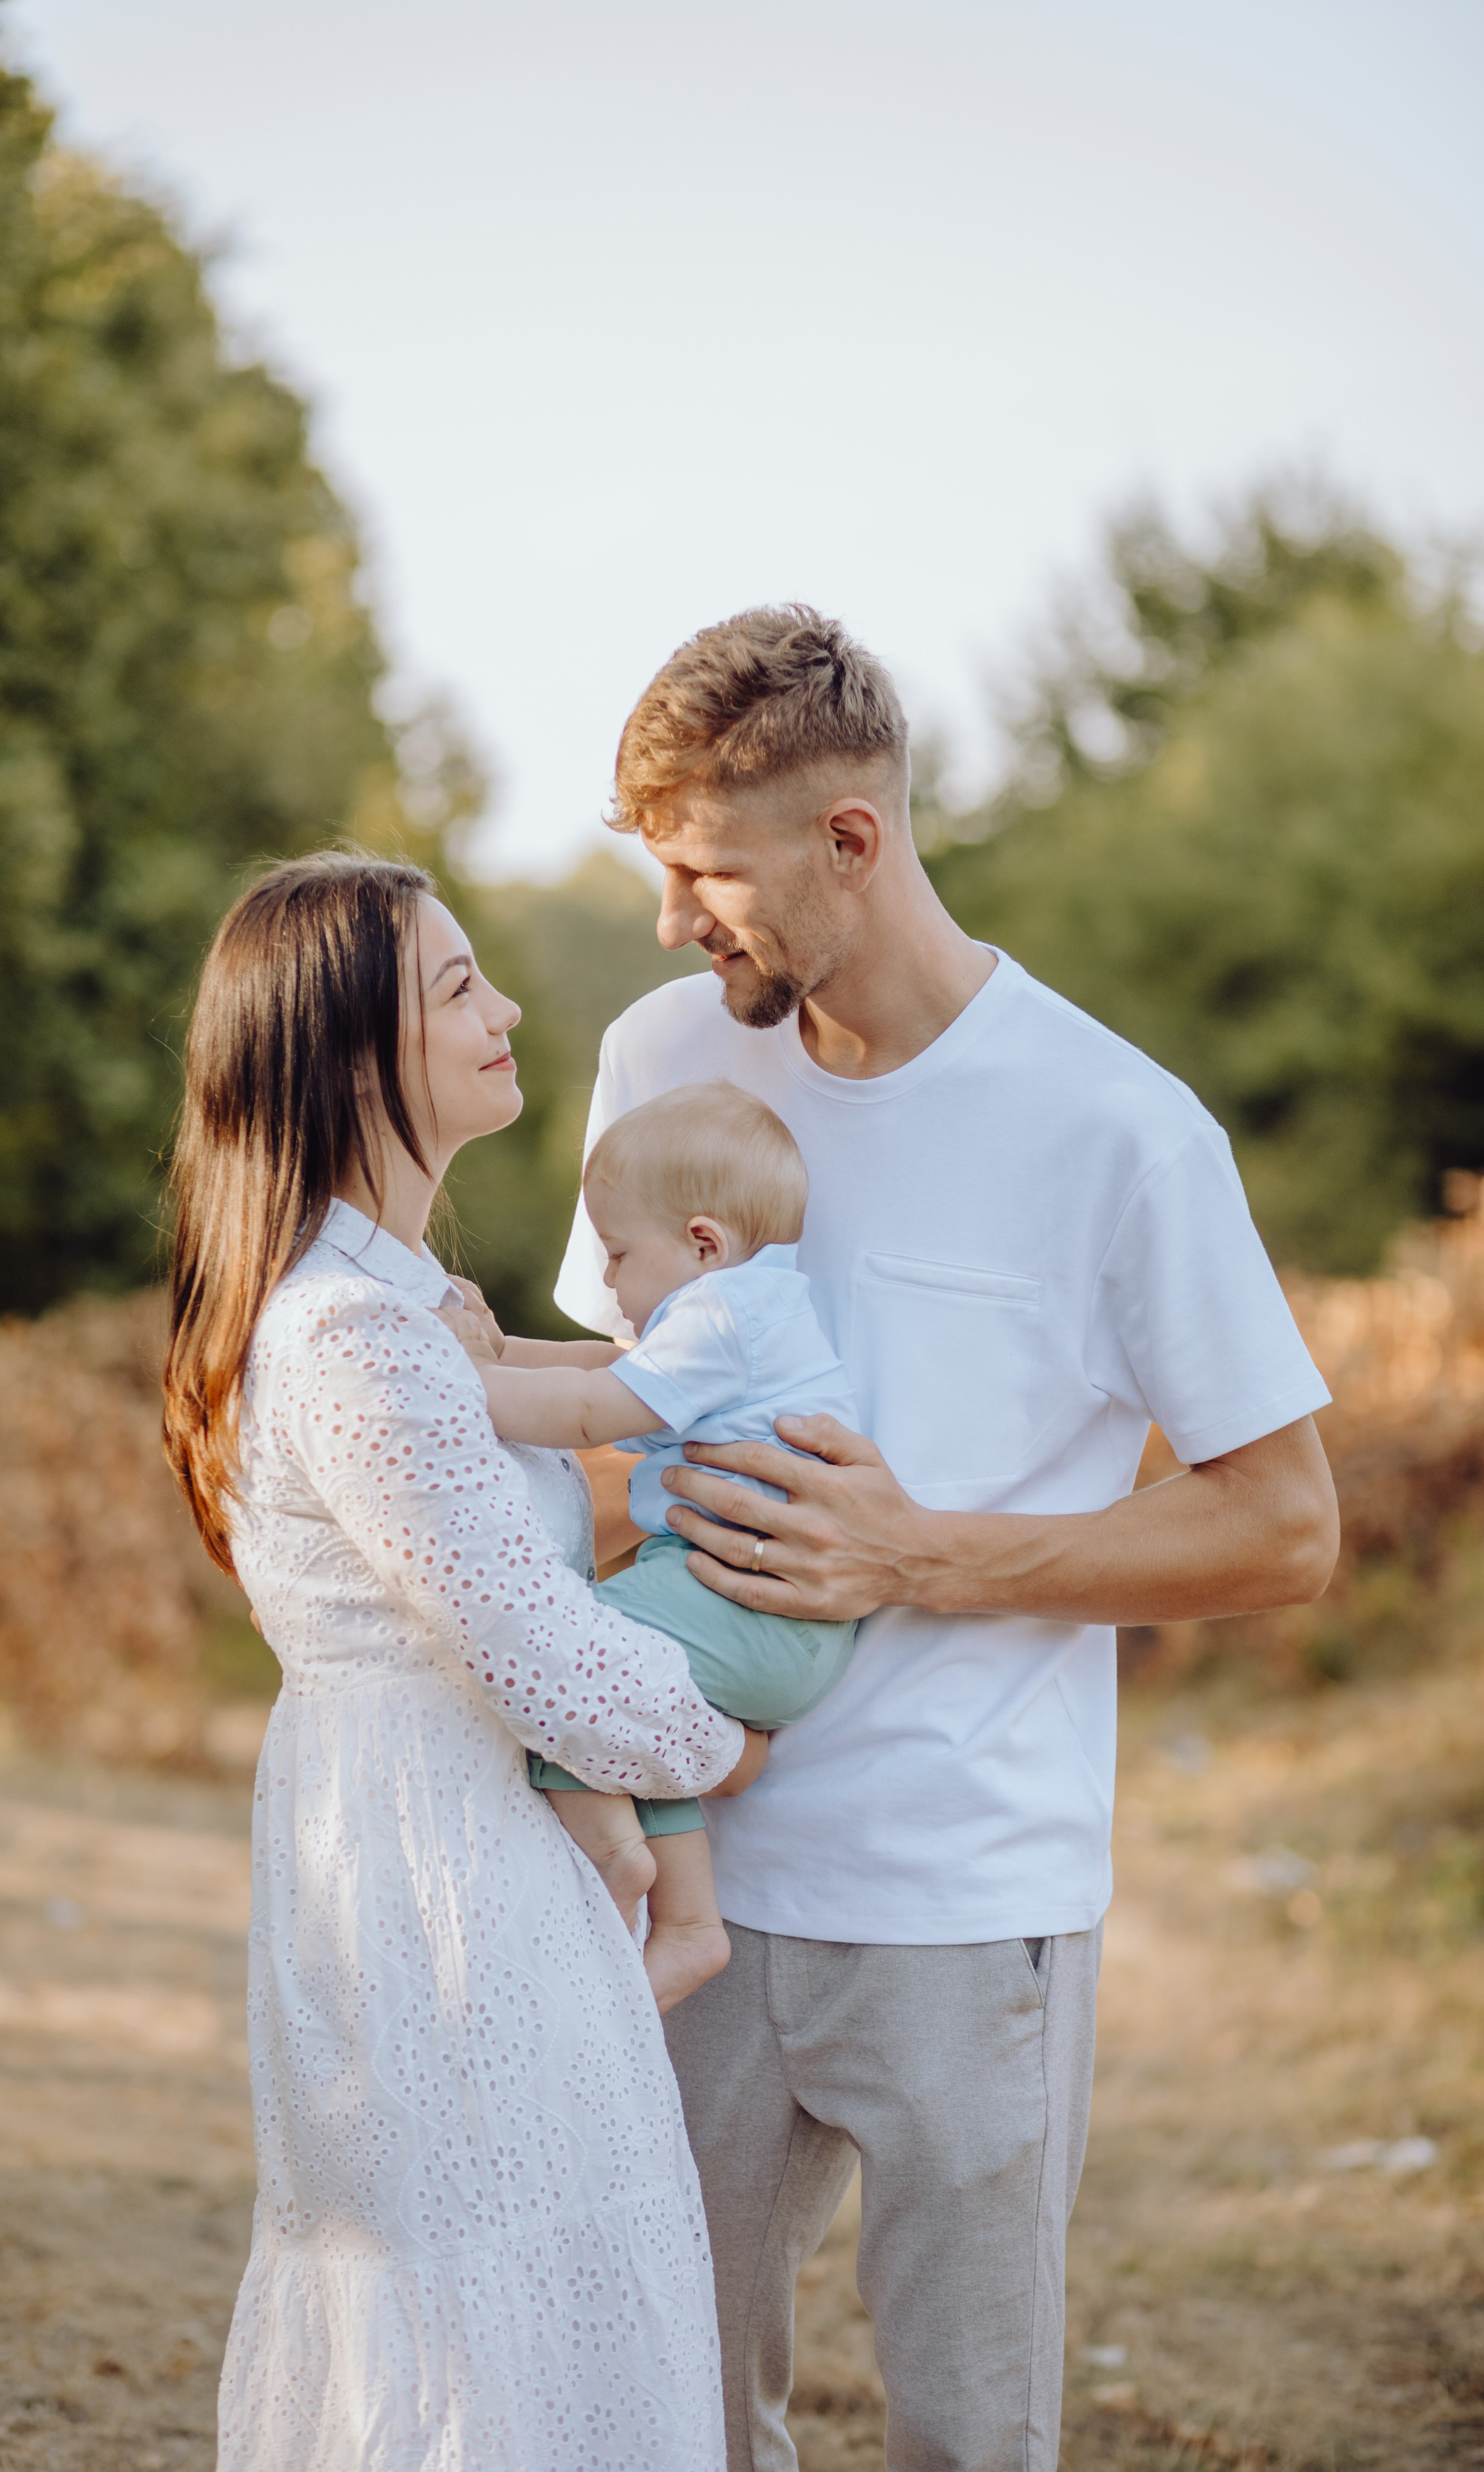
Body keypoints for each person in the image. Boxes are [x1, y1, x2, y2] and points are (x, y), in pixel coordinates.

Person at [552, 607, 1342, 2472]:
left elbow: (1285, 1524)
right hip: (687, 1883)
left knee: (974, 2439)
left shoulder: (1120, 1129)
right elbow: (613, 1399)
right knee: (654, 2412)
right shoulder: (664, 1052)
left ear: (854, 841)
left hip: (967, 1906)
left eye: (705, 873)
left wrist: (919, 1559)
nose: (676, 921)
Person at [160, 849, 764, 2472]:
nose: (501, 1012)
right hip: (429, 1867)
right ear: (352, 1054)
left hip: (474, 1840)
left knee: (529, 2276)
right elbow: (537, 1660)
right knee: (470, 2305)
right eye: (453, 989)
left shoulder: (417, 1307)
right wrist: (722, 1733)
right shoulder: (348, 1338)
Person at [470, 1078, 860, 2014]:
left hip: (752, 1610)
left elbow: (587, 1410)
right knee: (614, 1683)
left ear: (701, 1244)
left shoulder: (723, 1317)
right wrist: (495, 1348)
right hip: (751, 1611)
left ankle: (616, 1863)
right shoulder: (743, 1315)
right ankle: (689, 1926)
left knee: (556, 1653)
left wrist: (444, 1378)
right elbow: (602, 1367)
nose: (606, 1283)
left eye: (616, 1255)